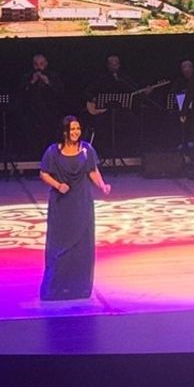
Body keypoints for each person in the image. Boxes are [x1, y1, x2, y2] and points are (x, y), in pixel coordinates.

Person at [37, 115, 110, 300]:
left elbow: (93, 171)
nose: (76, 132)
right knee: (60, 244)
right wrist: (57, 185)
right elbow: (43, 173)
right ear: (65, 132)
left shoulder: (86, 149)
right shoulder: (53, 151)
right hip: (62, 204)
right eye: (72, 129)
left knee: (82, 244)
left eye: (78, 128)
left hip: (82, 201)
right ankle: (56, 288)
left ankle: (79, 288)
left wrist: (102, 185)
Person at [16, 54, 65, 158]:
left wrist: (47, 82)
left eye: (41, 64)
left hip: (50, 112)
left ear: (46, 64)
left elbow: (60, 93)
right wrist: (32, 82)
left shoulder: (53, 76)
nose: (39, 67)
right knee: (34, 135)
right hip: (32, 113)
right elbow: (20, 94)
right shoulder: (27, 77)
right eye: (36, 64)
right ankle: (34, 155)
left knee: (50, 134)